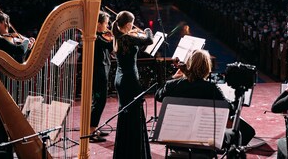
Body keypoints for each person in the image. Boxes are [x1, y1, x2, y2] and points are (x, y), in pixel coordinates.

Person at [155, 49, 256, 148]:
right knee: (247, 131)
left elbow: (158, 96)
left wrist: (174, 78)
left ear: (187, 66)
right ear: (207, 68)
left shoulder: (171, 85)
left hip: (175, 140)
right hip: (204, 141)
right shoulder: (211, 88)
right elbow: (229, 110)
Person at [0, 9, 35, 159]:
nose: (8, 26)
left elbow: (18, 61)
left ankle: (1, 155)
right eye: (6, 23)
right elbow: (18, 50)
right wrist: (26, 41)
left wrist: (25, 47)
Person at [112, 10, 153, 159]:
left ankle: (124, 152)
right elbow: (149, 40)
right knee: (134, 116)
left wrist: (134, 33)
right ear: (129, 24)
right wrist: (148, 29)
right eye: (132, 23)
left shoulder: (118, 37)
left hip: (120, 79)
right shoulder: (128, 38)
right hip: (130, 80)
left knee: (125, 115)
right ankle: (135, 153)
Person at [89, 11, 114, 143]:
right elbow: (110, 45)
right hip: (98, 74)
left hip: (102, 72)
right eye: (105, 23)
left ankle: (94, 127)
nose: (107, 26)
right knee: (99, 102)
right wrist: (117, 34)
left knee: (99, 102)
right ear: (98, 24)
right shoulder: (94, 37)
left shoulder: (99, 36)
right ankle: (91, 131)